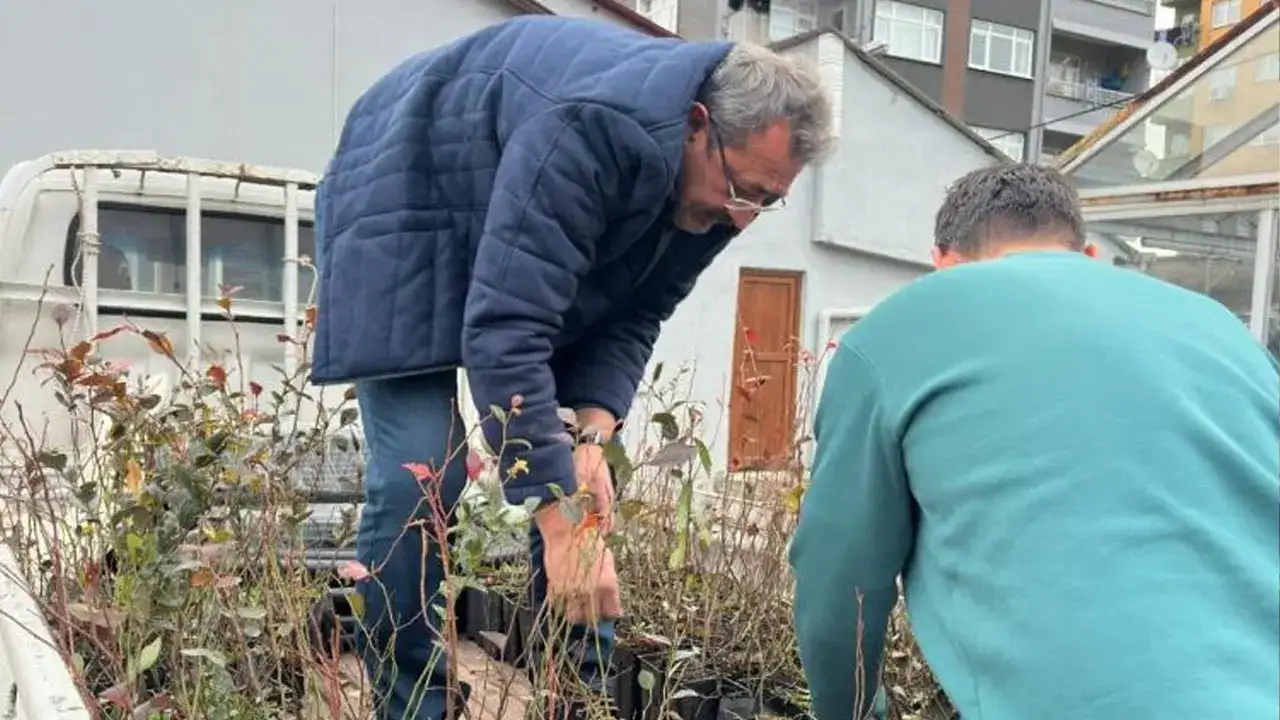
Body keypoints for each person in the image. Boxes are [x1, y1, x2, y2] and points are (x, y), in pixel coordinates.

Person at [310, 15, 833, 720]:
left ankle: (578, 699)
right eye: (744, 190)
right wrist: (562, 525)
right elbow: (508, 328)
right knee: (423, 468)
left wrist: (591, 435)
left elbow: (635, 313)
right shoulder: (594, 128)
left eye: (768, 201)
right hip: (402, 190)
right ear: (697, 125)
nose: (745, 218)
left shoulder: (716, 193)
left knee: (587, 479)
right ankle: (412, 702)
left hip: (517, 195)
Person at [789, 163, 1280, 720]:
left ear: (943, 264)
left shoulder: (897, 330)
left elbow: (839, 584)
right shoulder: (1224, 331)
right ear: (1088, 255)